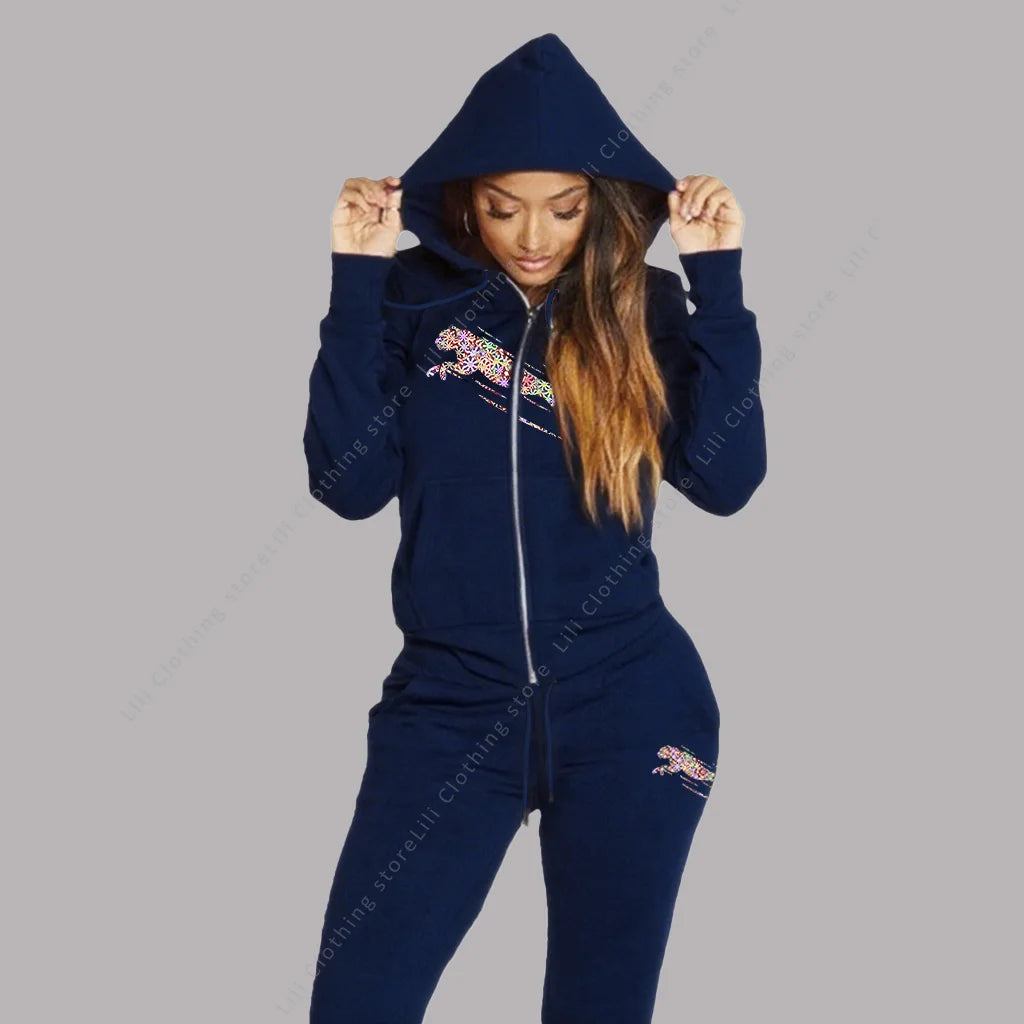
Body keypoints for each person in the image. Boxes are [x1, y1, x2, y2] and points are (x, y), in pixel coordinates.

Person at [303, 32, 766, 1024]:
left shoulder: (642, 308)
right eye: (503, 205)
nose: (532, 235)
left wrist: (718, 286)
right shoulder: (410, 304)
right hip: (450, 706)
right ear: (464, 199)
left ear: (600, 203)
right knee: (359, 1000)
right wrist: (354, 283)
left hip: (634, 708)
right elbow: (347, 484)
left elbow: (726, 481)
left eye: (564, 207)